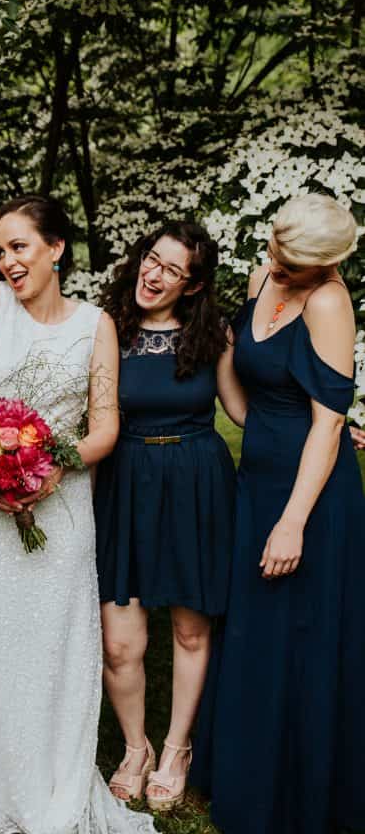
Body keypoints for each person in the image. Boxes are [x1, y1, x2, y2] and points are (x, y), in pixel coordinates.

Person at [0, 194, 156, 834]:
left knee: (57, 648)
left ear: (56, 249)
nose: (6, 262)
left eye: (19, 247)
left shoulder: (96, 325)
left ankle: (55, 787)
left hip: (61, 506)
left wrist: (56, 465)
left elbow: (105, 425)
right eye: (0, 250)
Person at [191, 193, 365, 834]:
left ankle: (307, 785)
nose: (275, 267)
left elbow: (328, 424)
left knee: (306, 634)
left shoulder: (328, 302)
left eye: (292, 263)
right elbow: (243, 400)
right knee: (253, 631)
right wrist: (221, 361)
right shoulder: (263, 275)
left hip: (313, 495)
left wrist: (293, 521)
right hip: (258, 477)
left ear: (325, 264)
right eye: (274, 252)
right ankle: (246, 772)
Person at [94, 221, 246, 812]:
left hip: (195, 485)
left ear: (193, 284)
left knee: (190, 628)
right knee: (120, 641)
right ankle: (136, 746)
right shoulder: (109, 329)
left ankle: (178, 746)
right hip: (125, 484)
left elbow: (240, 411)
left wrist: (322, 431)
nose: (152, 274)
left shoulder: (214, 339)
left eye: (171, 269)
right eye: (150, 259)